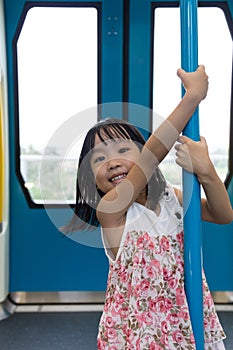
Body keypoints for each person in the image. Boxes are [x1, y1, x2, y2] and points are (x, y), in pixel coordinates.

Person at [62, 66, 233, 349]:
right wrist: (192, 97)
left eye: (122, 149)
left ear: (139, 151)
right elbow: (152, 155)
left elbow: (222, 214)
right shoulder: (112, 210)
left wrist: (206, 172)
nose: (112, 161)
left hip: (185, 321)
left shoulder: (168, 197)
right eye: (98, 158)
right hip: (141, 333)